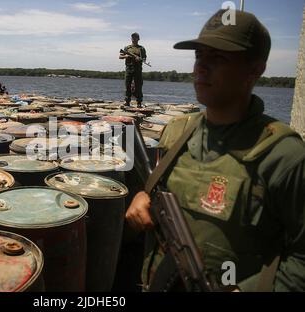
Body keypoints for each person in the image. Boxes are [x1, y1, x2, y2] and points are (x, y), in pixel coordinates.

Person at [125, 9, 305, 292]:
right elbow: (154, 193)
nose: (201, 68)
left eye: (218, 58)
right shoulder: (176, 132)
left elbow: (301, 259)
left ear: (255, 69)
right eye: (199, 56)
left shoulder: (283, 156)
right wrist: (142, 197)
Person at [119, 33, 147, 107]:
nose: (134, 39)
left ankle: (139, 102)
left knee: (138, 85)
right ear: (131, 38)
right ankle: (127, 101)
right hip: (129, 68)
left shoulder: (141, 48)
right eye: (133, 37)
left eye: (136, 37)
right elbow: (120, 56)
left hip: (138, 69)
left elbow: (144, 59)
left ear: (138, 38)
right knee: (127, 85)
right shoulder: (127, 47)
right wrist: (126, 56)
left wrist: (139, 59)